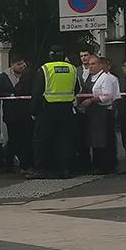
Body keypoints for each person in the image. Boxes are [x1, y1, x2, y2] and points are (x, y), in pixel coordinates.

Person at [36, 48, 78, 178]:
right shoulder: (72, 69)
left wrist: (34, 111)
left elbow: (37, 91)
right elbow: (77, 88)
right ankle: (66, 169)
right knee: (65, 140)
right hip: (66, 109)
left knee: (45, 140)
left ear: (51, 55)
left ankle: (46, 170)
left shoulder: (45, 68)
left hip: (48, 109)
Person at [81, 57, 120, 174]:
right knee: (94, 140)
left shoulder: (105, 78)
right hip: (92, 113)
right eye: (89, 64)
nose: (90, 66)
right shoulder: (89, 77)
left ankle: (105, 165)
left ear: (100, 65)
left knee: (103, 140)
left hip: (102, 112)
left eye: (93, 64)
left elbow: (107, 95)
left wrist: (92, 100)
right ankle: (96, 164)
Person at [6, 57, 38, 173]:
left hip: (18, 117)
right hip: (28, 117)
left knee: (20, 141)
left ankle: (25, 165)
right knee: (28, 141)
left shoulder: (20, 85)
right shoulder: (33, 83)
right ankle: (29, 165)